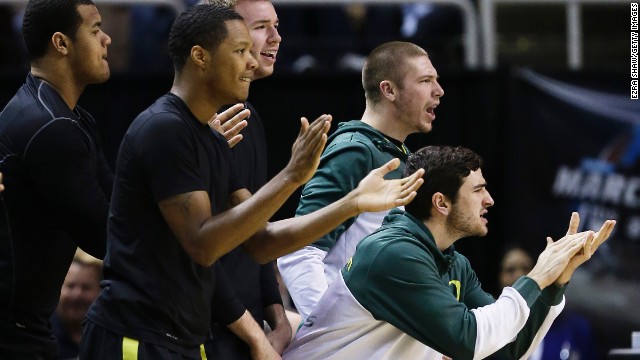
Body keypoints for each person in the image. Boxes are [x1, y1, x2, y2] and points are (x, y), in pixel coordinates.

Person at [80, 5, 424, 359]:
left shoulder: (210, 138)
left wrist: (352, 203)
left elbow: (261, 242)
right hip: (136, 337)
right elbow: (203, 245)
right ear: (201, 56)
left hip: (181, 339)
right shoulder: (165, 129)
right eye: (240, 51)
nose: (250, 62)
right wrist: (291, 175)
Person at [283, 145, 616, 360]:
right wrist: (538, 275)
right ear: (441, 203)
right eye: (478, 190)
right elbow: (469, 340)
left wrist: (556, 282)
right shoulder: (393, 252)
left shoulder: (452, 261)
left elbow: (506, 348)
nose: (490, 200)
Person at [278, 40, 444, 320]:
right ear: (388, 90)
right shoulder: (354, 151)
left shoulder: (403, 157)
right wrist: (329, 333)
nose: (439, 91)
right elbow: (299, 252)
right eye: (426, 80)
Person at [0, 1, 113, 358]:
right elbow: (109, 237)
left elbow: (118, 204)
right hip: (13, 336)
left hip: (24, 329)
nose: (107, 39)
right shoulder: (52, 127)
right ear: (61, 43)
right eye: (95, 30)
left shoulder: (69, 118)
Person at [203, 0, 293, 358]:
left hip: (246, 329)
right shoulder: (194, 124)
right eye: (261, 27)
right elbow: (201, 255)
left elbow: (254, 236)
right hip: (205, 331)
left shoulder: (249, 116)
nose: (276, 37)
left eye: (277, 25)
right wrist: (254, 334)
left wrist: (278, 317)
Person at [497, 244, 596, 360]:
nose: (519, 275)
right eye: (510, 270)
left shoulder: (576, 328)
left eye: (526, 268)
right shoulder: (492, 325)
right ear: (499, 277)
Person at [51, 249, 103, 360]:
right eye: (70, 286)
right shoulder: (44, 334)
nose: (77, 295)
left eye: (85, 288)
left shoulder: (106, 337)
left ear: (100, 292)